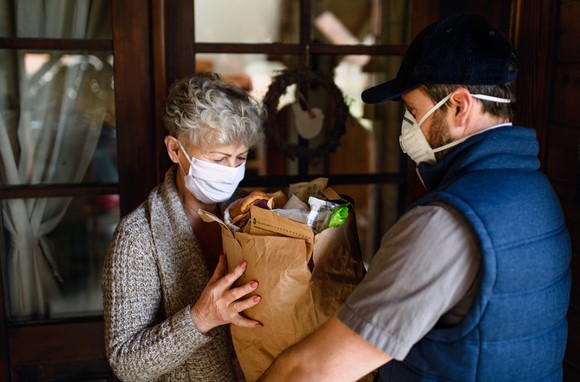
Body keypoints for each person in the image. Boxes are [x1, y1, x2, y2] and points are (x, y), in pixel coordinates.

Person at [258, 13, 571, 382]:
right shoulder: (538, 191)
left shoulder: (444, 222)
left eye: (412, 111)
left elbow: (313, 370)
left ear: (458, 106)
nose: (408, 127)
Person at [101, 73, 265, 381]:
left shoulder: (250, 216)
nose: (231, 172)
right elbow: (125, 363)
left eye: (240, 158)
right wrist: (201, 317)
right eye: (218, 159)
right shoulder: (137, 237)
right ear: (176, 150)